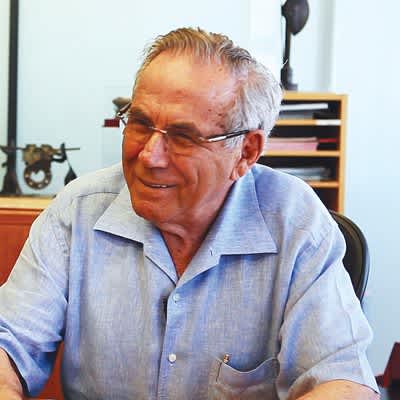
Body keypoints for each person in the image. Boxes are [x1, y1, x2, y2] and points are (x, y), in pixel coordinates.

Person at [0, 27, 379, 400]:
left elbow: (343, 382)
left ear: (246, 151)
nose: (150, 156)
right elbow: (9, 343)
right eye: (140, 124)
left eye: (182, 136)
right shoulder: (78, 211)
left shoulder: (296, 224)